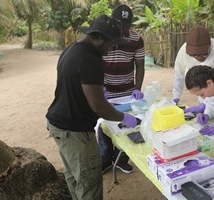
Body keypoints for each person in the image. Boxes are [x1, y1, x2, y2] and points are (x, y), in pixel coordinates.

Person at [46, 15, 138, 200]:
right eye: (111, 42)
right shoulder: (90, 60)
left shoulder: (72, 50)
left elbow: (75, 85)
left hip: (58, 124)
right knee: (89, 184)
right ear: (98, 37)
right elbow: (98, 106)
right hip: (75, 131)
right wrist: (124, 118)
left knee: (74, 177)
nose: (113, 47)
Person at [97, 4, 145, 174]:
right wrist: (99, 87)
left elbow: (140, 65)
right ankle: (105, 158)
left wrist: (137, 89)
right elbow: (95, 63)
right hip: (105, 90)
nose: (124, 30)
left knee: (126, 126)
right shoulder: (103, 36)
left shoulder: (136, 39)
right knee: (104, 125)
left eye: (127, 27)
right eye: (121, 27)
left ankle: (121, 159)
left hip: (126, 91)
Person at [172, 25, 214, 117]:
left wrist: (208, 106)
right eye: (195, 55)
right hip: (205, 94)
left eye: (203, 54)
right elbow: (179, 75)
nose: (199, 58)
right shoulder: (183, 51)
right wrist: (175, 97)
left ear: (210, 46)